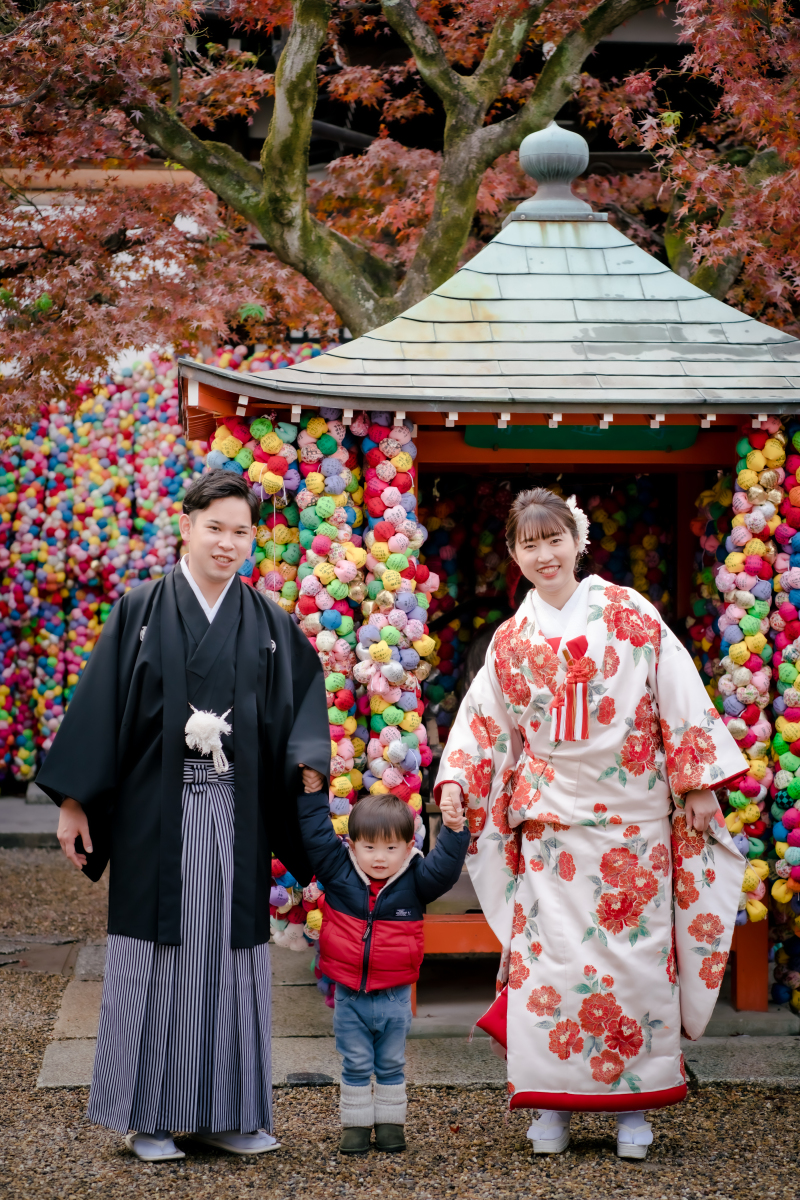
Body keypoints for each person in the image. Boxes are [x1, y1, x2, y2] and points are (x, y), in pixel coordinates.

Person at [436, 487, 747, 1160]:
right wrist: (458, 778)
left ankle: (636, 1108)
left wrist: (697, 782)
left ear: (578, 542)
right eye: (529, 544)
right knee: (549, 968)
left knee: (636, 962)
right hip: (550, 830)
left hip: (634, 824)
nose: (544, 555)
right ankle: (550, 1104)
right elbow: (484, 721)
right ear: (513, 554)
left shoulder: (629, 612)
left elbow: (677, 691)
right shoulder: (511, 640)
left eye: (555, 540)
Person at [37, 470, 331, 1163]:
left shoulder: (266, 621)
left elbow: (302, 702)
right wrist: (75, 801)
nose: (227, 543)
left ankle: (230, 1113)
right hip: (155, 813)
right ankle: (149, 1118)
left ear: (252, 539)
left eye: (241, 532)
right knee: (154, 959)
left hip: (237, 811)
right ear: (186, 526)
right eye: (215, 528)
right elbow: (100, 704)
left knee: (232, 961)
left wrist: (308, 761)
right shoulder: (140, 609)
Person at [296, 789, 470, 1154]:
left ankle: (391, 1125)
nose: (379, 857)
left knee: (391, 1063)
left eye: (391, 848)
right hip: (349, 995)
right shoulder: (338, 871)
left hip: (395, 995)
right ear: (353, 845)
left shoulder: (416, 879)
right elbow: (316, 834)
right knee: (356, 1063)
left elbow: (445, 869)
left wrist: (455, 830)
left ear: (408, 848)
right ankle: (356, 1127)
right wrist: (312, 793)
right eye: (370, 847)